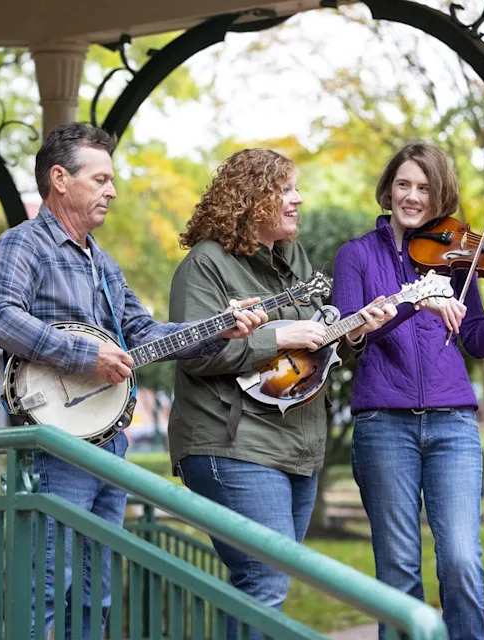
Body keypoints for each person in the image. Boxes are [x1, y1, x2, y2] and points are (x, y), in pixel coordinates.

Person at [0, 122, 265, 639]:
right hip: (54, 446)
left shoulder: (104, 264)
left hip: (110, 443)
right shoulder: (23, 245)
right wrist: (83, 355)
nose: (112, 190)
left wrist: (222, 326)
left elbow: (145, 333)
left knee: (94, 593)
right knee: (46, 585)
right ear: (60, 178)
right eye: (101, 179)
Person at [331, 141, 484, 639]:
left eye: (424, 187)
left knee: (461, 560)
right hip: (384, 422)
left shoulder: (458, 259)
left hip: (453, 423)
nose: (411, 196)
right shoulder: (355, 255)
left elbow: (478, 342)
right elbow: (353, 332)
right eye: (403, 184)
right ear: (388, 188)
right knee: (397, 569)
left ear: (440, 195)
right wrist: (416, 301)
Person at [167, 147, 396, 638]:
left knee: (268, 580)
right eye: (286, 189)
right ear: (253, 198)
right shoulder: (206, 264)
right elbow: (192, 350)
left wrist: (352, 332)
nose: (298, 199)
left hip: (295, 445)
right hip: (230, 443)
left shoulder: (293, 259)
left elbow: (313, 344)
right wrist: (278, 334)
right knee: (264, 578)